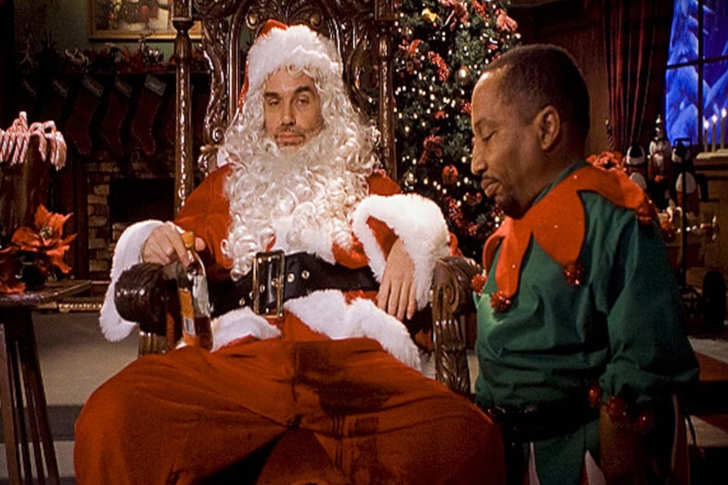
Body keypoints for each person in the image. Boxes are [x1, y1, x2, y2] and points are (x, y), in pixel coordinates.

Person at [74, 22, 505, 484]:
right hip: (242, 363)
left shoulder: (362, 182)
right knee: (109, 418)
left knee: (467, 437)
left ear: (327, 106)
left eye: (302, 99)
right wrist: (152, 240)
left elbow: (441, 249)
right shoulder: (228, 186)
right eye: (273, 101)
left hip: (347, 363)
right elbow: (178, 239)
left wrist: (412, 241)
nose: (286, 120)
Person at [469, 44, 698, 485]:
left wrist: (619, 439)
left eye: (487, 135)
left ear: (547, 128)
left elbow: (647, 354)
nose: (476, 162)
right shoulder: (514, 224)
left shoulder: (614, 218)